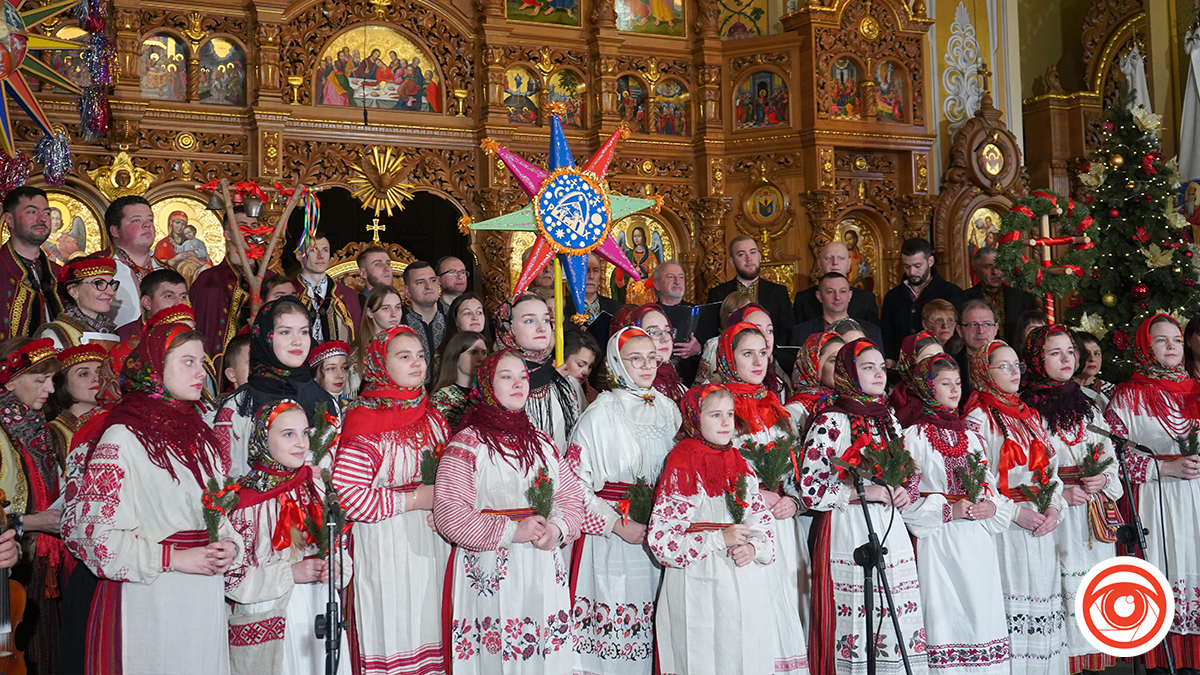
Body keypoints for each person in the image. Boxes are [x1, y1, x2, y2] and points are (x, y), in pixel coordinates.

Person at [61, 323, 241, 674]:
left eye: (202, 363)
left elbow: (222, 515)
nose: (200, 373)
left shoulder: (201, 438)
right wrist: (174, 557)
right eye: (187, 362)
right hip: (151, 594)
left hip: (202, 597)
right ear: (155, 367)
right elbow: (95, 539)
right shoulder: (122, 436)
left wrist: (229, 546)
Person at [432, 348, 584, 675]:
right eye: (506, 376)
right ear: (487, 384)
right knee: (495, 657)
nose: (518, 384)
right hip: (490, 567)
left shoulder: (542, 442)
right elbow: (449, 512)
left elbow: (571, 496)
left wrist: (556, 530)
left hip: (541, 564)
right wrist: (513, 531)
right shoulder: (467, 444)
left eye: (523, 377)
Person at [800, 338, 928, 675]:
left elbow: (908, 469)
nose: (878, 374)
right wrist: (862, 492)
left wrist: (903, 490)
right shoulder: (830, 420)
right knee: (856, 612)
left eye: (880, 367)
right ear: (847, 373)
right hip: (847, 527)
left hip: (889, 528)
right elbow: (810, 489)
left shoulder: (887, 419)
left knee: (894, 609)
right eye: (866, 367)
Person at [333, 326, 451, 675]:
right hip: (386, 545)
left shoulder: (434, 417)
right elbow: (349, 497)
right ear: (379, 364)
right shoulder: (363, 419)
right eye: (404, 356)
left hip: (432, 541)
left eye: (420, 356)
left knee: (430, 624)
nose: (417, 363)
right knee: (395, 626)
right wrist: (415, 499)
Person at [566, 327, 682, 675]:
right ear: (617, 362)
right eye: (636, 359)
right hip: (613, 538)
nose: (647, 366)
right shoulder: (601, 413)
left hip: (661, 533)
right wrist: (616, 524)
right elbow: (574, 485)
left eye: (651, 358)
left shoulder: (669, 410)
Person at [649, 384, 781, 675]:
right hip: (699, 582)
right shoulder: (682, 465)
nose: (725, 423)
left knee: (743, 652)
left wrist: (753, 547)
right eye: (715, 415)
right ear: (695, 419)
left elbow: (762, 520)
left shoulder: (741, 465)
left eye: (730, 414)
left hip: (742, 581)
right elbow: (662, 541)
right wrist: (718, 538)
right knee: (703, 654)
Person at [901, 353, 1014, 675]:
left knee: (982, 613)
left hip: (976, 541)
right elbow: (906, 500)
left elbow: (988, 485)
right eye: (945, 383)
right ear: (927, 388)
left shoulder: (972, 437)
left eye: (958, 383)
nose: (954, 390)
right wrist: (948, 510)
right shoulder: (914, 437)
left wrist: (990, 505)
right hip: (939, 543)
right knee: (947, 616)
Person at [1021, 325, 1121, 674]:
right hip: (1057, 514)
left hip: (1091, 513)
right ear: (1037, 359)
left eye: (1069, 352)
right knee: (1062, 589)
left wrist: (1104, 477)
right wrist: (1059, 492)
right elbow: (1023, 468)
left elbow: (1109, 455)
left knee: (1093, 592)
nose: (1066, 359)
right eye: (1054, 353)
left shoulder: (1089, 405)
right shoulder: (1027, 408)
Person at [225, 399, 352, 675]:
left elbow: (339, 545)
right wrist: (290, 573)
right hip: (271, 611)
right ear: (262, 438)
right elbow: (230, 578)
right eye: (288, 434)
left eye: (305, 433)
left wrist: (337, 567)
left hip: (318, 608)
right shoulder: (243, 500)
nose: (301, 443)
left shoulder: (317, 487)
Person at [1104, 314, 1200, 673]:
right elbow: (1109, 455)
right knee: (1164, 570)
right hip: (1158, 501)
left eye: (1176, 339)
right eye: (1161, 341)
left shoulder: (1197, 388)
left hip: (1197, 500)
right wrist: (1165, 468)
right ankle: (1162, 663)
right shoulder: (1129, 395)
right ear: (1145, 346)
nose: (1172, 346)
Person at [964, 340, 1066, 675]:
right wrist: (1014, 512)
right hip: (1004, 530)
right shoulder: (978, 417)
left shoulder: (1029, 414)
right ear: (984, 370)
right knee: (1012, 611)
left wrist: (1053, 507)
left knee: (1044, 612)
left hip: (1041, 526)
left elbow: (1050, 470)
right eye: (1003, 366)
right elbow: (976, 478)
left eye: (1017, 366)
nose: (1014, 373)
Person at [713, 322, 809, 675]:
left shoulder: (775, 404)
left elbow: (799, 465)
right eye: (747, 353)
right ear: (728, 356)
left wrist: (794, 500)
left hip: (783, 525)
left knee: (785, 604)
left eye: (763, 354)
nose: (758, 362)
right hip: (743, 525)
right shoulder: (715, 403)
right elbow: (710, 467)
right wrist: (756, 495)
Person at [0, 337, 68, 673]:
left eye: (52, 379)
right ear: (10, 381)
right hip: (13, 567)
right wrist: (33, 522)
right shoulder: (3, 431)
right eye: (40, 380)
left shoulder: (36, 428)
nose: (51, 389)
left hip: (39, 562)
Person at [215, 297, 336, 477]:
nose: (297, 341)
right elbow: (223, 478)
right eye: (285, 332)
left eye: (303, 332)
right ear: (265, 336)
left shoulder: (324, 399)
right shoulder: (240, 405)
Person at [495, 293, 582, 452]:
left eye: (546, 320)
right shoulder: (494, 382)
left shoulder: (563, 382)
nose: (542, 328)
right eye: (529, 320)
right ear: (508, 328)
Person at [192, 205, 267, 369]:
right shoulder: (209, 281)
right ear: (227, 234)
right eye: (242, 226)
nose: (249, 231)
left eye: (254, 226)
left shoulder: (271, 279)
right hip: (224, 368)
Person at [880, 237, 966, 362]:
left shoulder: (951, 293)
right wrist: (889, 357)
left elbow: (960, 331)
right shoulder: (893, 296)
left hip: (943, 364)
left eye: (917, 266)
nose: (912, 272)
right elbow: (887, 333)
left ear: (930, 261)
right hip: (903, 367)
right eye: (906, 266)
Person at [706, 235, 794, 349]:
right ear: (731, 261)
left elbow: (786, 331)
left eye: (752, 252)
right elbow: (712, 332)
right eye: (741, 254)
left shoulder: (778, 292)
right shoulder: (718, 294)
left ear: (760, 256)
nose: (749, 258)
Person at [0, 186, 62, 339]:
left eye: (46, 213)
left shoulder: (59, 273)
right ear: (9, 220)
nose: (42, 219)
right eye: (31, 212)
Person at [103, 196, 165, 328]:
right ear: (115, 230)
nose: (147, 224)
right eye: (136, 220)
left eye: (150, 220)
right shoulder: (97, 268)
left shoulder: (166, 271)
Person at [36, 256, 121, 349]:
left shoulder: (110, 332)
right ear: (73, 291)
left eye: (111, 284)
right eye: (98, 283)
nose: (111, 292)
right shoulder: (56, 334)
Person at [611, 304, 689, 403]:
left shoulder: (671, 376)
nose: (665, 339)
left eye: (667, 331)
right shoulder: (629, 392)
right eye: (654, 332)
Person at [294, 233, 361, 344]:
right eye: (313, 250)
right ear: (298, 255)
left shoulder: (348, 295)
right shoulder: (290, 292)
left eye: (325, 250)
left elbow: (356, 340)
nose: (321, 256)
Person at [793, 241, 880, 326]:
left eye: (841, 258)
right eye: (829, 258)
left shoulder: (866, 300)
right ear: (819, 263)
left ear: (849, 263)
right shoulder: (803, 299)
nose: (835, 263)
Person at [965, 246, 1038, 345]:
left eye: (999, 266)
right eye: (988, 266)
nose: (995, 271)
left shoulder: (1023, 298)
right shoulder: (964, 299)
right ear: (977, 272)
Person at [48, 343, 105, 464]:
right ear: (64, 385)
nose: (96, 378)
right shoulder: (54, 434)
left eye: (100, 372)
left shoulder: (117, 422)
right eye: (83, 374)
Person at [791, 272, 883, 347]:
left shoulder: (872, 332)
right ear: (819, 296)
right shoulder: (801, 333)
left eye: (842, 291)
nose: (837, 297)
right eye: (830, 292)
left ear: (849, 296)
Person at [785, 331, 843, 435]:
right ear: (813, 365)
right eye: (834, 360)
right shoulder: (795, 410)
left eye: (845, 360)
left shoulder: (852, 401)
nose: (842, 367)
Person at [652, 260, 702, 380]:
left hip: (692, 379)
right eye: (670, 277)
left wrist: (698, 350)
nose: (677, 281)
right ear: (657, 284)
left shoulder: (699, 312)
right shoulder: (650, 314)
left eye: (681, 277)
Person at [351, 285, 405, 395]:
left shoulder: (407, 345)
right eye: (386, 308)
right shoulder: (358, 351)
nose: (394, 314)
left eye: (398, 307)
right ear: (370, 313)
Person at [431, 330, 488, 431]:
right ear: (456, 359)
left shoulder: (490, 394)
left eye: (484, 353)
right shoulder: (440, 399)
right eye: (473, 353)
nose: (481, 358)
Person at [949, 299, 999, 413]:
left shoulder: (1012, 362)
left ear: (995, 329)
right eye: (973, 325)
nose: (980, 331)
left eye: (987, 324)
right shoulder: (950, 365)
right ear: (960, 330)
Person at [400, 261, 445, 385]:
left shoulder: (453, 322)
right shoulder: (399, 327)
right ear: (407, 291)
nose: (429, 286)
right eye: (420, 282)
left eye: (432, 280)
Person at [888, 331, 945, 428]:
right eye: (928, 358)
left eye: (940, 358)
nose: (935, 364)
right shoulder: (895, 404)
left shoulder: (950, 397)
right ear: (910, 362)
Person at [116, 268, 189, 340]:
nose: (179, 303)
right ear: (147, 302)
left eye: (183, 297)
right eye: (169, 296)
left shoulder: (191, 332)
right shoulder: (123, 337)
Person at [557, 329, 601, 405]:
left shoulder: (596, 399)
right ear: (562, 359)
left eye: (590, 366)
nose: (586, 372)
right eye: (580, 365)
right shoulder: (544, 390)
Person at [1073, 331, 1114, 409]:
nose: (1092, 359)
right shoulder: (1062, 389)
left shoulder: (1110, 391)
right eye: (1086, 354)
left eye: (1097, 354)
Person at [308, 339, 350, 413]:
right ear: (315, 375)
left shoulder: (350, 407)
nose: (340, 375)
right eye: (331, 369)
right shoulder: (307, 409)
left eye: (344, 368)